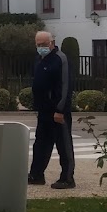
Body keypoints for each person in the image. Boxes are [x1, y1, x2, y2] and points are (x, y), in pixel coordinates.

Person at [28, 30, 74, 189]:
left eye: (44, 44)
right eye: (38, 45)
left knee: (63, 144)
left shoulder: (60, 59)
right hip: (43, 110)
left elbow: (65, 86)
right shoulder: (40, 59)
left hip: (58, 110)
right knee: (40, 143)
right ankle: (36, 174)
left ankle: (67, 178)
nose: (41, 47)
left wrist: (60, 109)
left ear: (51, 43)